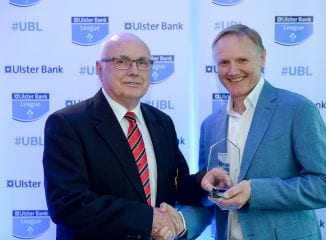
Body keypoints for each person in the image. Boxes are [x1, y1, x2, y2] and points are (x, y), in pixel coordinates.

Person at [42, 32, 208, 240]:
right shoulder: (68, 124)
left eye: (142, 62)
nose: (134, 71)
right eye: (122, 62)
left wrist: (202, 183)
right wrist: (148, 218)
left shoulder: (162, 122)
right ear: (99, 69)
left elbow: (175, 184)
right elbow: (68, 204)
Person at [198, 24, 326, 239]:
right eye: (224, 62)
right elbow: (207, 196)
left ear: (262, 58)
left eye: (242, 60)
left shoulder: (297, 109)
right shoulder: (210, 124)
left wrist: (256, 192)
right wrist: (177, 224)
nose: (233, 70)